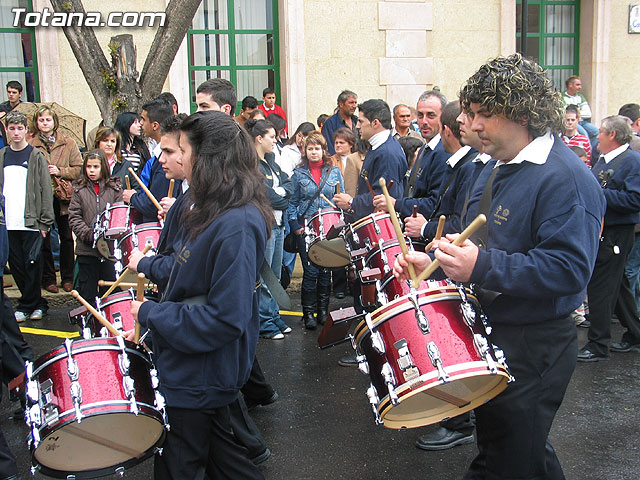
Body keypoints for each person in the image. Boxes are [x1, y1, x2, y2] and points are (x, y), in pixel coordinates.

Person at [394, 53, 605, 479]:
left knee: (509, 461)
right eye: (470, 114)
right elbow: (481, 242)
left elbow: (568, 271)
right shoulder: (493, 167)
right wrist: (434, 259)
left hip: (535, 344)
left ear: (522, 114)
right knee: (515, 453)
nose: (469, 126)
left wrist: (480, 266)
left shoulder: (566, 179)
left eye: (483, 115)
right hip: (493, 334)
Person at [126, 110, 270, 479]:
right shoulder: (209, 210)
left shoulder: (236, 223)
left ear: (207, 158)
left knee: (179, 467)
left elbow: (225, 318)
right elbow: (187, 283)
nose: (173, 159)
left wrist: (150, 315)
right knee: (227, 463)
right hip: (191, 368)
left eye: (183, 150)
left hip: (200, 375)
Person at [579, 115, 640, 361]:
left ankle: (598, 343)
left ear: (612, 135)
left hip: (616, 232)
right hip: (603, 229)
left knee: (601, 286)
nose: (597, 138)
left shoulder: (632, 161)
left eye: (600, 133)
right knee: (619, 285)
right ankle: (636, 333)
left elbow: (635, 200)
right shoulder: (604, 160)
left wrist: (599, 194)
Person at [0, 111, 53, 322]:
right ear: (6, 130)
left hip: (31, 220)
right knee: (16, 265)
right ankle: (35, 303)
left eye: (19, 128)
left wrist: (45, 220)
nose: (15, 132)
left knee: (33, 264)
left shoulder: (35, 155)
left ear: (26, 131)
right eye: (11, 128)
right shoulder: (2, 155)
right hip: (8, 221)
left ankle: (28, 305)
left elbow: (45, 189)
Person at [287, 132, 344, 329]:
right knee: (311, 271)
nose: (313, 152)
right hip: (306, 227)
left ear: (323, 150)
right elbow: (292, 202)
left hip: (328, 227)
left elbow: (340, 199)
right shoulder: (298, 174)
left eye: (317, 148)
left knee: (325, 270)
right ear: (305, 151)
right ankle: (308, 314)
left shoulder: (334, 172)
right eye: (310, 148)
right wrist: (294, 224)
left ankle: (323, 312)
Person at [246, 118, 292, 339]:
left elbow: (289, 185)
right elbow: (268, 197)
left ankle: (273, 316)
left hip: (279, 225)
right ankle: (265, 322)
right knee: (264, 278)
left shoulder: (271, 162)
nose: (276, 141)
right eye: (272, 137)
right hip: (265, 225)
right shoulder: (251, 165)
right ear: (259, 138)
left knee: (274, 276)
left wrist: (282, 193)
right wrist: (282, 194)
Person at [28, 105, 82, 293]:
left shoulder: (68, 143)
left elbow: (79, 168)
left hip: (63, 197)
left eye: (48, 119)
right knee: (44, 239)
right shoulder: (31, 144)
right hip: (41, 196)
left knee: (66, 237)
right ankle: (49, 279)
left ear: (54, 122)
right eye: (41, 120)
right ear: (36, 122)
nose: (44, 123)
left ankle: (67, 278)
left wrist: (60, 171)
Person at [374, 90, 451, 219]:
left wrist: (396, 204)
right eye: (420, 115)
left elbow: (434, 204)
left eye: (431, 115)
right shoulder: (424, 149)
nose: (424, 121)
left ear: (443, 117)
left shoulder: (443, 152)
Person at [333, 99, 406, 217]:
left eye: (361, 121)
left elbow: (383, 196)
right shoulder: (378, 147)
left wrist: (351, 202)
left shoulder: (387, 154)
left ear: (375, 123)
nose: (357, 126)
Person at [68, 150, 121, 305]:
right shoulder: (79, 189)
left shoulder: (115, 189)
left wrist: (108, 235)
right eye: (89, 166)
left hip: (109, 253)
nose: (91, 170)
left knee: (111, 296)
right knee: (87, 295)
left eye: (96, 167)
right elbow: (74, 216)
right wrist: (89, 234)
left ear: (103, 167)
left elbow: (119, 215)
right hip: (87, 251)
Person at [124, 98, 176, 223]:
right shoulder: (157, 155)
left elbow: (155, 203)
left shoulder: (165, 162)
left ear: (155, 125)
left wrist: (133, 197)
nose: (141, 123)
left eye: (143, 119)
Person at [93, 126, 138, 192]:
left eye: (112, 141)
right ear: (98, 143)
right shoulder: (90, 163)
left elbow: (137, 190)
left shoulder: (126, 166)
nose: (109, 144)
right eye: (105, 140)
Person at [322, 90, 359, 155]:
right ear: (341, 104)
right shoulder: (330, 123)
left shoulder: (357, 121)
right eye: (351, 103)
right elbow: (329, 147)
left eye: (355, 103)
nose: (354, 106)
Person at [562, 75, 599, 140]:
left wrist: (576, 113)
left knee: (596, 132)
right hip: (571, 122)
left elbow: (588, 114)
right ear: (570, 85)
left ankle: (593, 149)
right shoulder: (562, 97)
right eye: (578, 85)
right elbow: (565, 113)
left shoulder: (580, 97)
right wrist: (577, 113)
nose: (580, 87)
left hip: (582, 122)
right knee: (584, 135)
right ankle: (587, 149)